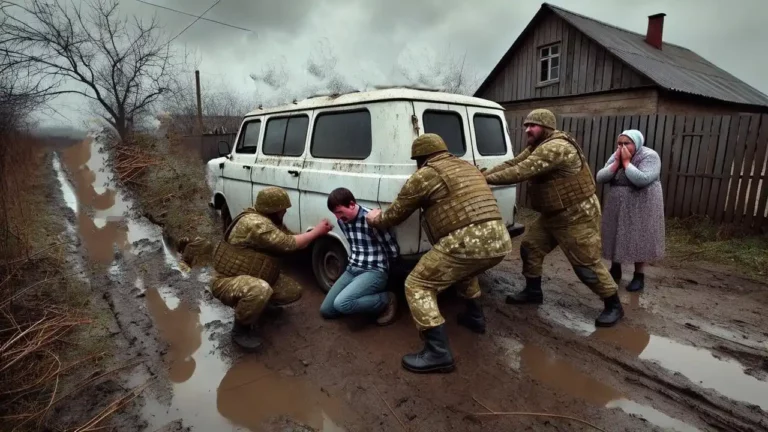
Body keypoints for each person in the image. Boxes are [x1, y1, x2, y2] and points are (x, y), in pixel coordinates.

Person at [366, 133, 513, 374]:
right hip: (499, 240)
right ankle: (475, 317)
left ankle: (438, 352)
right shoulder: (467, 167)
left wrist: (375, 219)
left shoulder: (425, 175)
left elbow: (395, 215)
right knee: (464, 270)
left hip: (466, 241)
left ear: (420, 158)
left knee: (417, 284)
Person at [483, 109, 623, 327]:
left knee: (586, 264)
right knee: (530, 247)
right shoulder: (537, 146)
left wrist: (484, 180)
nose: (528, 129)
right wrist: (482, 174)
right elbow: (512, 164)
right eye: (526, 125)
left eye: (533, 125)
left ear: (546, 128)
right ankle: (533, 292)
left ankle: (613, 304)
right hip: (554, 213)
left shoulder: (556, 147)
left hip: (577, 214)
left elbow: (520, 172)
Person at [210, 187, 333, 351]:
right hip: (226, 281)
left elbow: (293, 242)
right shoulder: (255, 223)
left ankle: (260, 306)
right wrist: (317, 231)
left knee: (292, 291)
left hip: (249, 275)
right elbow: (289, 244)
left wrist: (310, 236)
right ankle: (240, 329)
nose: (284, 213)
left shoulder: (269, 221)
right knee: (260, 289)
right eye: (283, 210)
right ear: (273, 209)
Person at [596, 129, 665, 292]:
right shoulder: (616, 155)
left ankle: (638, 275)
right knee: (615, 233)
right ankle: (615, 269)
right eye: (619, 143)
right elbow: (600, 177)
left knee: (638, 236)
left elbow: (642, 180)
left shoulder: (650, 156)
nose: (622, 147)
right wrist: (615, 165)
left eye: (626, 143)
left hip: (641, 203)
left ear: (637, 143)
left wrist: (626, 163)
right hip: (618, 203)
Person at [319, 187, 400, 325]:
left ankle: (386, 299)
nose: (338, 218)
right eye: (335, 214)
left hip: (374, 270)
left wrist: (386, 270)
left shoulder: (372, 219)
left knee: (342, 304)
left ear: (351, 204)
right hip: (353, 268)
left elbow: (392, 250)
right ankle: (357, 299)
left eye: (339, 212)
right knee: (326, 310)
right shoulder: (342, 221)